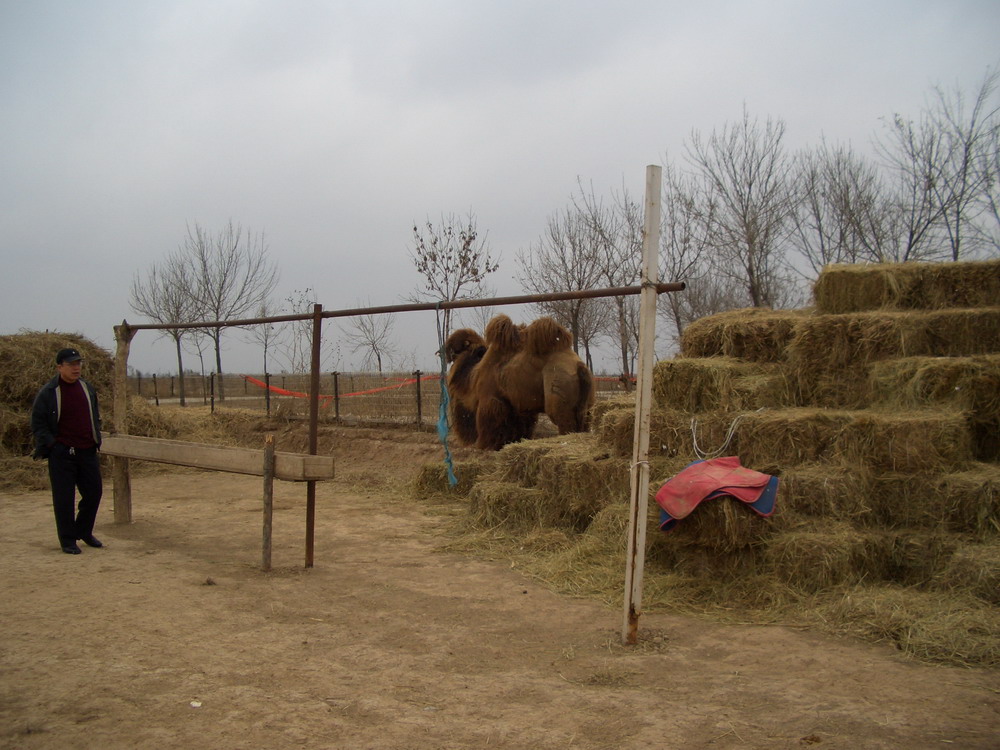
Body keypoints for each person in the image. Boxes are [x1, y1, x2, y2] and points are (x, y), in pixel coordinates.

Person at [30, 347, 104, 554]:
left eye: (78, 363)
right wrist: (53, 445)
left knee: (94, 493)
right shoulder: (49, 392)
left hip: (87, 450)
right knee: (64, 498)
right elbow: (38, 423)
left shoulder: (87, 388)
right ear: (59, 367)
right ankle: (67, 540)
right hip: (62, 454)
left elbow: (95, 414)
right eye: (71, 364)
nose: (76, 368)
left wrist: (95, 437)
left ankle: (84, 531)